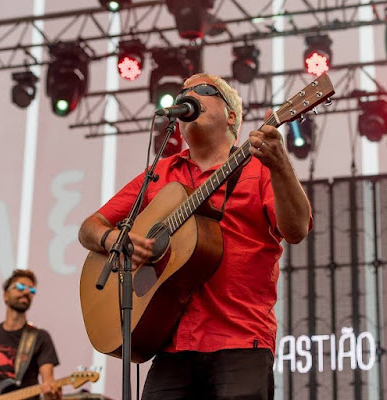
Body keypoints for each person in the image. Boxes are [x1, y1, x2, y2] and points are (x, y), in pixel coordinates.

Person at [78, 73, 312, 400]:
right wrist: (116, 241)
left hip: (240, 340)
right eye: (182, 93)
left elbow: (297, 229)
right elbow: (90, 227)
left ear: (231, 115)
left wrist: (281, 165)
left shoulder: (259, 168)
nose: (186, 96)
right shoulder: (159, 173)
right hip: (171, 345)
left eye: (203, 90)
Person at [0, 269, 61, 400]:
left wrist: (52, 394)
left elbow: (48, 382)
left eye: (31, 290)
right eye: (20, 287)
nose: (26, 292)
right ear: (6, 295)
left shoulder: (40, 337)